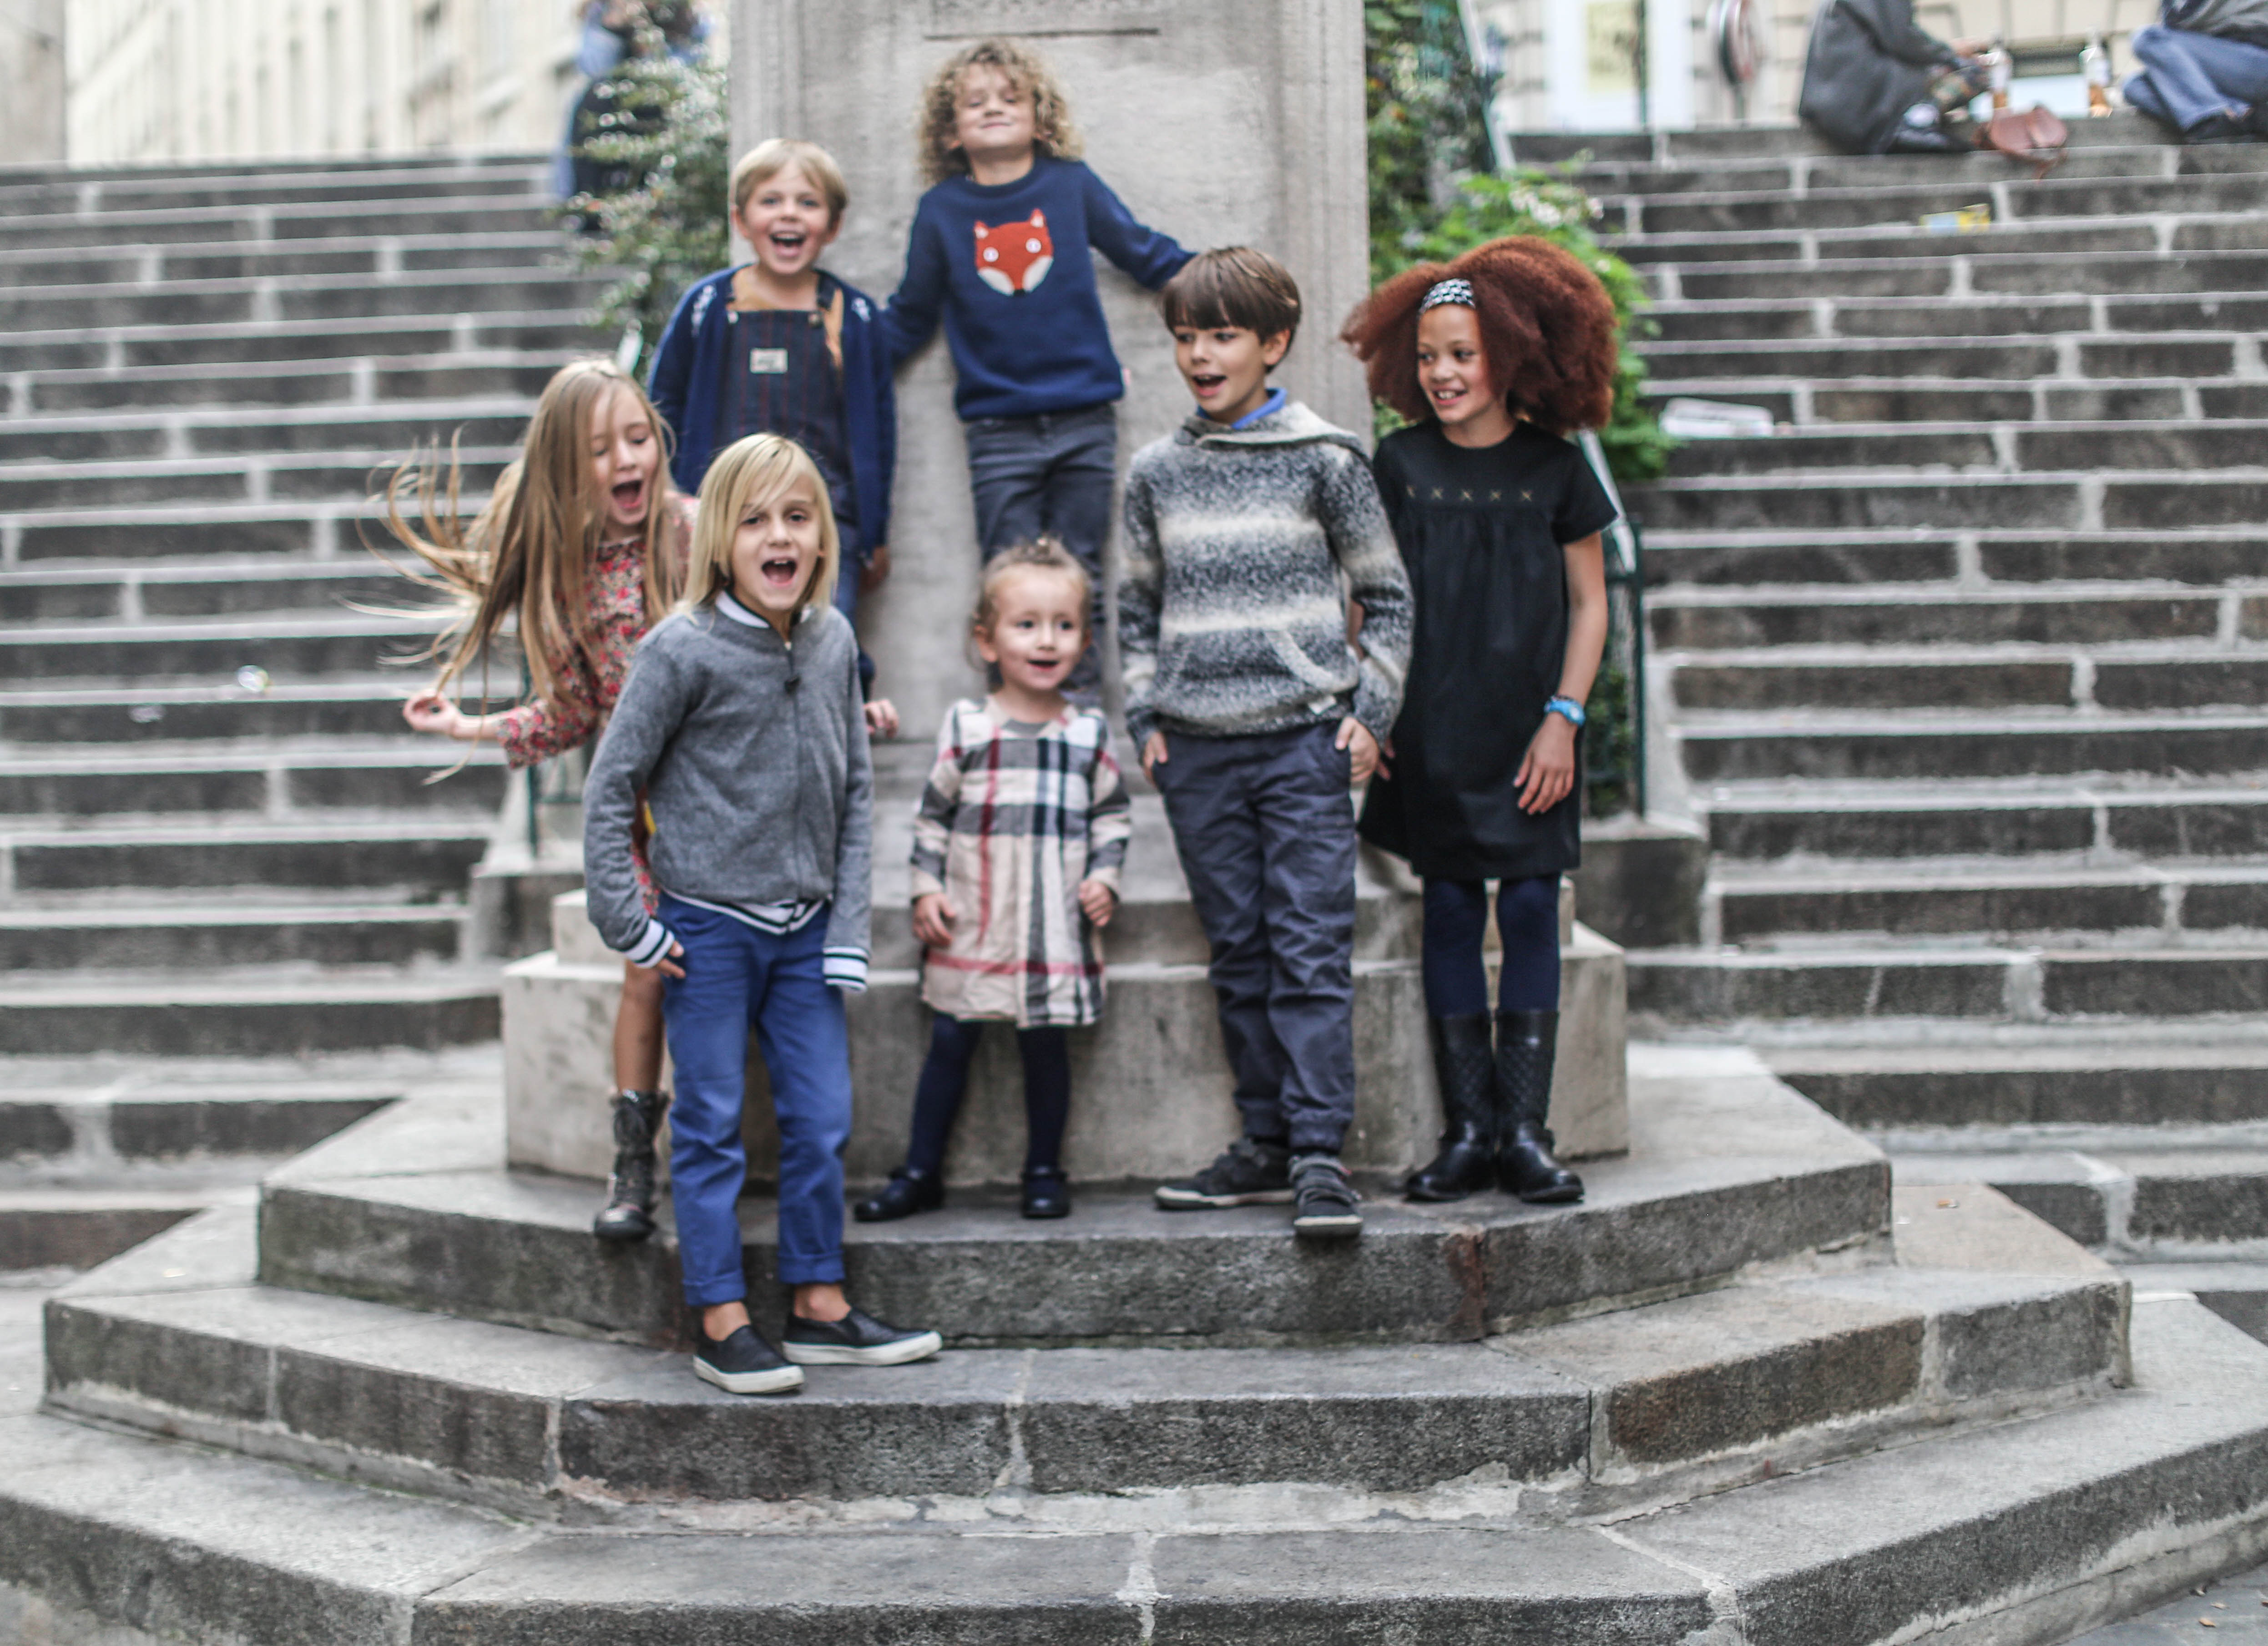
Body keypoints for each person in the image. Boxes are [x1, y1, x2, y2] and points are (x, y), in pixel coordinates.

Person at [581, 433, 940, 1396]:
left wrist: (850, 930)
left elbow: (856, 788)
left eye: (796, 516)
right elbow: (610, 788)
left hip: (803, 935)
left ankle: (819, 1302)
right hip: (704, 931)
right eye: (753, 520)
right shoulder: (679, 649)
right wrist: (634, 923)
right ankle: (721, 1313)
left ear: (821, 536)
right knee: (706, 1124)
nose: (777, 536)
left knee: (820, 1121)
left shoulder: (829, 643)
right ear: (718, 541)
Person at [1120, 248, 1413, 1241]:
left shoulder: (1325, 460)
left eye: (1222, 335)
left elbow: (1390, 598)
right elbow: (1131, 605)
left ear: (1271, 343)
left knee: (1306, 947)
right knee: (1237, 952)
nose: (1200, 354)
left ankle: (1320, 1155)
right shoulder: (1155, 472)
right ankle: (1262, 1142)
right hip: (1195, 753)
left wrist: (1365, 716)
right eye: (1186, 336)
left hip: (1300, 746)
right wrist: (1143, 717)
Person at [384, 356, 690, 1246]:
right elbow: (570, 713)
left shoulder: (697, 532)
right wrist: (465, 729)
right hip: (643, 817)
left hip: (727, 800)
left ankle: (742, 1154)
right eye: (600, 449)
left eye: (638, 438)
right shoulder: (566, 580)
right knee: (646, 974)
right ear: (565, 468)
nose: (627, 457)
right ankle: (633, 1161)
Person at [1341, 240, 1621, 1208]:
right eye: (1426, 357)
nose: (1442, 373)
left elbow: (1590, 604)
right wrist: (1369, 712)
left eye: (1461, 353)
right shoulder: (1400, 463)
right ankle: (1465, 1132)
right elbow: (1370, 601)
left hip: (1531, 732)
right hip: (1431, 729)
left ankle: (1525, 1133)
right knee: (1453, 909)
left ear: (1508, 355)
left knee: (1532, 906)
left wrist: (1563, 719)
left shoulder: (1555, 468)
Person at [881, 37, 1191, 694]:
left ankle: (1081, 728)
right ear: (949, 132)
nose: (993, 108)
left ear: (1041, 118)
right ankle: (1013, 729)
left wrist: (1214, 277)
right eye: (974, 102)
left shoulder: (1069, 186)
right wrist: (850, 352)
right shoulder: (942, 212)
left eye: (1010, 97)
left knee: (1083, 575)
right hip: (997, 432)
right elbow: (911, 314)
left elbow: (1139, 251)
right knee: (1007, 583)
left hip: (1085, 418)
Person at [854, 540, 1132, 1226]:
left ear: (1085, 640)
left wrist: (1105, 876)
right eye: (1026, 624)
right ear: (985, 640)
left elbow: (1112, 815)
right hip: (974, 920)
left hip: (1051, 926)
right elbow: (931, 818)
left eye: (1064, 625)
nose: (1047, 640)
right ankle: (920, 1170)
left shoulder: (1087, 734)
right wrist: (925, 888)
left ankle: (1043, 1169)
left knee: (1046, 1050)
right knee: (951, 1042)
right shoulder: (967, 727)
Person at [647, 137, 899, 722]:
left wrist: (875, 530)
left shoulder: (853, 315)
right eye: (771, 201)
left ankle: (828, 753)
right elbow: (665, 402)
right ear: (741, 219)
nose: (788, 214)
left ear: (832, 226)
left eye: (807, 203)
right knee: (717, 647)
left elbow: (878, 430)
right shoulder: (709, 307)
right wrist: (673, 502)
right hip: (718, 520)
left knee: (818, 647)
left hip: (827, 525)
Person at [1798, 0, 1990, 153]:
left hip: (1835, 106)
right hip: (1861, 107)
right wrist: (1952, 53)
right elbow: (1904, 40)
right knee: (1976, 71)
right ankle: (1916, 121)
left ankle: (1920, 116)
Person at [2125, 0, 2268, 143]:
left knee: (2148, 38)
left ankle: (2214, 118)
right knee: (2134, 86)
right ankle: (2240, 117)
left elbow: (2184, 17)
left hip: (2257, 61)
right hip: (2221, 66)